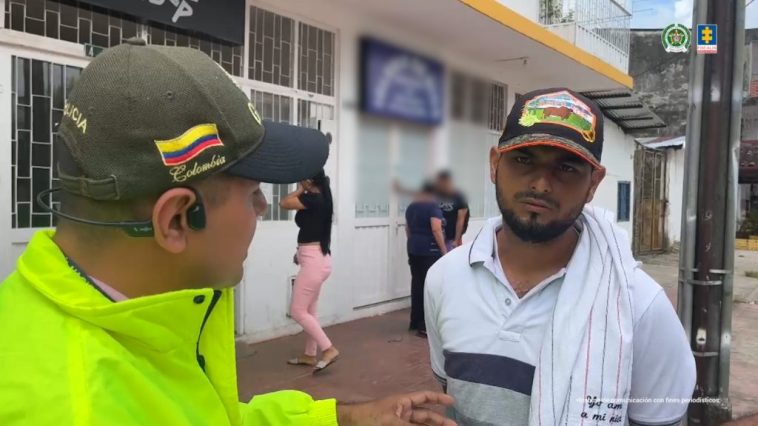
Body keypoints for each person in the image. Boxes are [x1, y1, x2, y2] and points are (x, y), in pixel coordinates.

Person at [0, 38, 456, 426]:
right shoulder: (78, 405)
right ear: (177, 219)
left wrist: (343, 416)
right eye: (253, 191)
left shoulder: (117, 313)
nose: (263, 206)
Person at [424, 88, 696, 425]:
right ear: (495, 164)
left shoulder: (639, 306)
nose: (541, 184)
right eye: (524, 160)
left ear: (594, 182)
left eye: (566, 168)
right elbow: (451, 389)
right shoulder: (444, 278)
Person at [280, 169, 340, 372]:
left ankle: (328, 348)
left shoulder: (313, 199)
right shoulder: (321, 199)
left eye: (302, 178)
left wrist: (298, 190)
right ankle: (309, 355)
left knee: (297, 311)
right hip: (317, 258)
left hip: (314, 261)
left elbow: (284, 203)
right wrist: (300, 254)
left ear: (309, 180)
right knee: (310, 311)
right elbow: (312, 230)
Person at [405, 182, 448, 336]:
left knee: (417, 285)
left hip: (414, 249)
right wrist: (444, 252)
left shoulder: (411, 206)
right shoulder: (433, 207)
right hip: (429, 251)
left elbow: (408, 229)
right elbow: (436, 229)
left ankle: (414, 322)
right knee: (429, 288)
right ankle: (424, 326)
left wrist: (412, 244)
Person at [434, 171, 469, 250]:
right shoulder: (436, 195)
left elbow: (461, 220)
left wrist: (456, 240)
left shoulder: (459, 197)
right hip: (437, 236)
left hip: (451, 238)